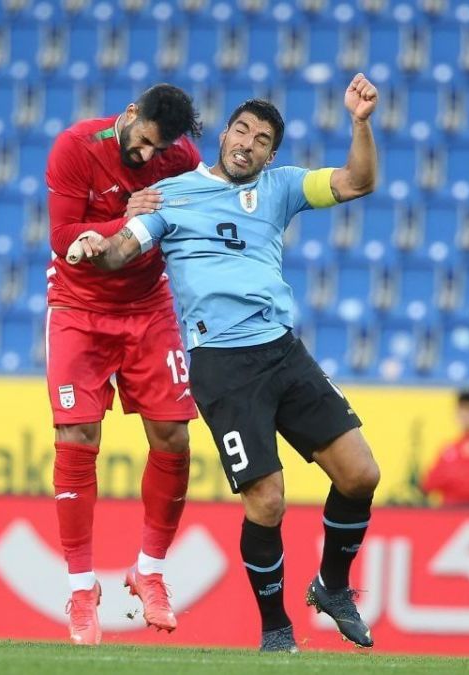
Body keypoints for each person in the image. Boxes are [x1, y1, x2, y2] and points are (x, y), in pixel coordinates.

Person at [68, 74, 382, 653]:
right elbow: (123, 248)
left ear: (272, 153)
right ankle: (276, 631)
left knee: (362, 474)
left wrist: (360, 122)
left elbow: (360, 180)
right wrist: (95, 243)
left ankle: (333, 586)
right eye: (241, 130)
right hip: (222, 364)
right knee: (268, 499)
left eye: (262, 139)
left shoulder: (284, 187)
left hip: (283, 350)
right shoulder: (176, 192)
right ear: (223, 135)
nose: (248, 143)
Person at [44, 84, 203, 646]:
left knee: (173, 437)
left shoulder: (180, 158)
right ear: (129, 115)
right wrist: (124, 220)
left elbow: (191, 216)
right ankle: (82, 589)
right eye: (142, 145)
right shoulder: (74, 147)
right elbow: (63, 238)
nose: (147, 158)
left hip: (147, 306)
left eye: (159, 151)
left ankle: (150, 571)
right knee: (76, 433)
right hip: (78, 307)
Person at [419, 390, 469, 506]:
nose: (466, 415)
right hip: (446, 511)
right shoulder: (449, 447)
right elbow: (428, 483)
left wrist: (447, 476)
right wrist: (458, 475)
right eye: (462, 410)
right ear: (456, 413)